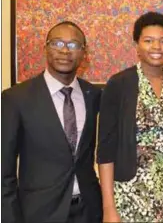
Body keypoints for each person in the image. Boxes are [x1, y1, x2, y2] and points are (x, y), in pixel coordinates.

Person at [2, 21, 102, 223]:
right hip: (38, 213)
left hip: (89, 211)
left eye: (73, 45)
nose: (65, 51)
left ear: (84, 53)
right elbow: (4, 171)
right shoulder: (16, 98)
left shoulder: (93, 95)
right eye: (57, 43)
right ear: (46, 47)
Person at [96, 11, 163, 222]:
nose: (156, 47)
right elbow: (105, 149)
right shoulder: (119, 84)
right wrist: (108, 207)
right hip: (130, 194)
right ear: (136, 45)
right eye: (148, 41)